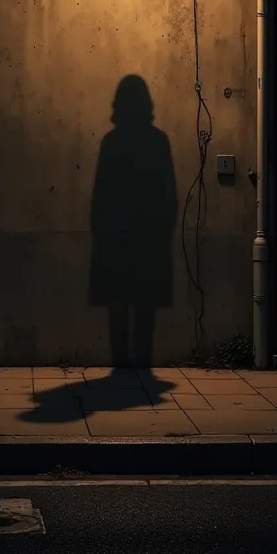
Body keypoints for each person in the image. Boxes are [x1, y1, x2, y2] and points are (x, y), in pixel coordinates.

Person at [89, 75, 178, 367]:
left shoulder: (112, 142)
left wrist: (101, 234)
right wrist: (163, 230)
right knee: (145, 308)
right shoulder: (158, 141)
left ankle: (122, 367)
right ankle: (141, 366)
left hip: (116, 238)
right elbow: (168, 193)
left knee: (118, 307)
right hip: (148, 238)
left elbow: (101, 196)